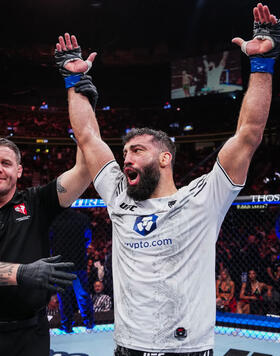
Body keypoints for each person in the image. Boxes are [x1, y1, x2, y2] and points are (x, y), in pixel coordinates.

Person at [55, 3, 280, 355]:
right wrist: (74, 81)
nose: (126, 157)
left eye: (137, 150)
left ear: (165, 158)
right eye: (125, 151)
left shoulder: (203, 198)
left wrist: (263, 64)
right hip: (127, 347)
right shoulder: (119, 195)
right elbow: (87, 137)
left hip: (188, 349)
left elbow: (249, 134)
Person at [0, 138, 92, 356]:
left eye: (6, 163)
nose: (0, 169)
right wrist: (20, 273)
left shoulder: (35, 202)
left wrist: (84, 114)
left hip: (32, 333)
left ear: (19, 170)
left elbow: (83, 170)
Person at [50, 209, 94, 332]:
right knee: (82, 295)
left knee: (64, 296)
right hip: (78, 261)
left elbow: (49, 240)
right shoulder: (82, 218)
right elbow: (88, 238)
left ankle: (67, 325)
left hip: (61, 263)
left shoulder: (53, 220)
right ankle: (89, 324)